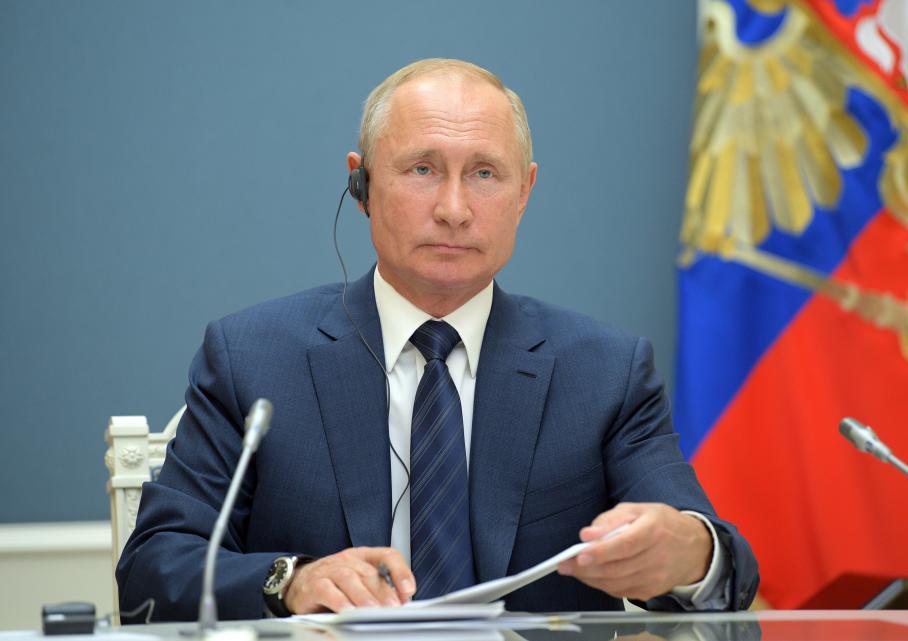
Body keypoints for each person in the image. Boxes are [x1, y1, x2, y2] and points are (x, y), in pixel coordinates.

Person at [117, 58, 759, 621]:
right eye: (423, 168)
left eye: (484, 174)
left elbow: (724, 573)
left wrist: (689, 554)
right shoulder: (252, 358)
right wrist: (294, 579)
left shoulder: (604, 373)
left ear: (524, 192)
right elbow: (153, 568)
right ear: (361, 185)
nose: (454, 208)